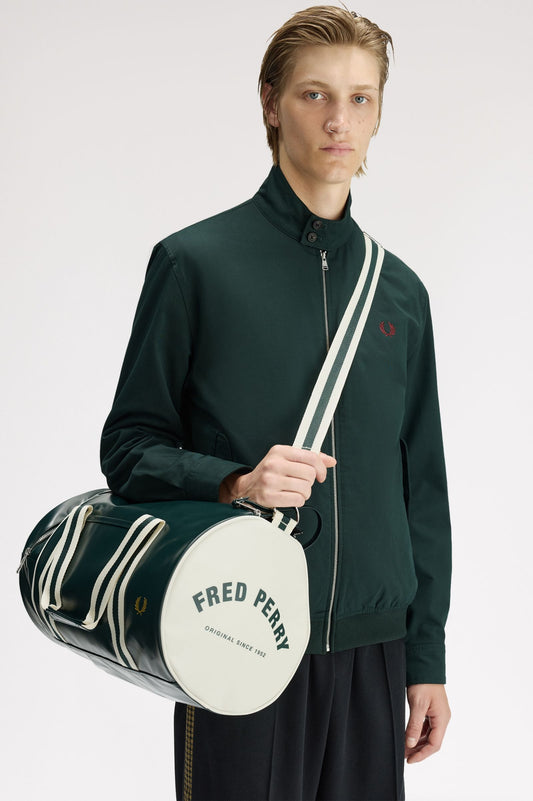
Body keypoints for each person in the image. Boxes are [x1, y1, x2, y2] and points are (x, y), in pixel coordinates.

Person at [100, 5, 452, 800]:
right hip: (237, 632)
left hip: (374, 649)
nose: (339, 120)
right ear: (269, 102)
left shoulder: (400, 292)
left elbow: (421, 489)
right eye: (314, 95)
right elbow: (128, 448)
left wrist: (424, 660)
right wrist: (234, 481)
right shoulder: (195, 264)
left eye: (361, 98)